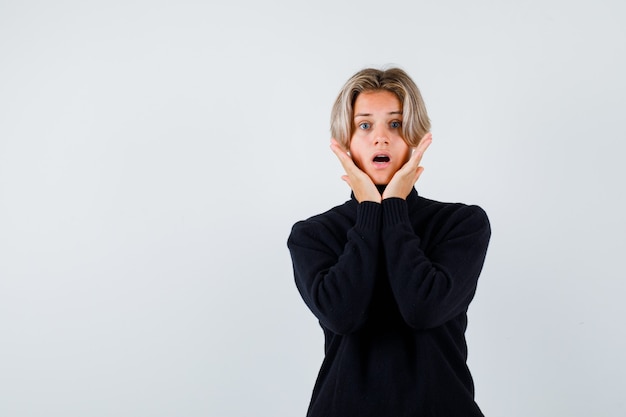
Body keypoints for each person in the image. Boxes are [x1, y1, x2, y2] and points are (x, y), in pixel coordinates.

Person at [287, 67, 491, 416]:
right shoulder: (313, 234)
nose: (380, 138)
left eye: (395, 124)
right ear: (344, 140)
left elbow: (422, 308)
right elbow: (343, 315)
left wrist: (393, 207)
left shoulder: (461, 223)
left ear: (415, 138)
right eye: (365, 125)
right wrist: (369, 210)